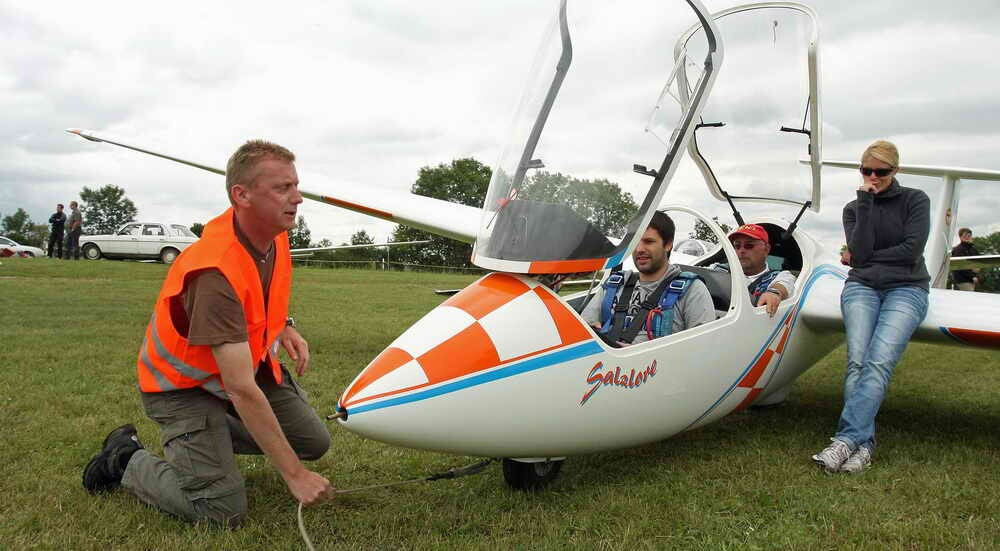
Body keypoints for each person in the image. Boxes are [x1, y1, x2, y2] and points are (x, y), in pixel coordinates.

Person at [82, 140, 332, 524]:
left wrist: (284, 326)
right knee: (220, 511)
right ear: (242, 194)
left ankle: (206, 445)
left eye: (295, 186)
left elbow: (261, 296)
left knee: (312, 442)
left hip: (238, 374)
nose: (297, 198)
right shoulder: (214, 271)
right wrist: (294, 475)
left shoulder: (274, 234)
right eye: (283, 188)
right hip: (183, 390)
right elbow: (241, 388)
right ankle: (125, 459)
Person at [812, 140, 930, 474]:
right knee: (858, 363)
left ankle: (845, 440)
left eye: (882, 172)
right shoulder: (854, 207)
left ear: (896, 171)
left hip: (907, 288)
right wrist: (866, 202)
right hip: (862, 287)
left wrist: (864, 258)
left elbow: (910, 251)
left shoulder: (916, 200)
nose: (874, 177)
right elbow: (860, 251)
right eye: (867, 171)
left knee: (878, 362)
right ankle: (863, 447)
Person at [582, 211, 716, 347]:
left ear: (668, 244)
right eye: (635, 242)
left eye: (648, 241)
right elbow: (583, 330)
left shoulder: (692, 290)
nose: (639, 249)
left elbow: (704, 349)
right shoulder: (615, 284)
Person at [711, 224, 795, 318]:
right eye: (737, 246)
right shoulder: (716, 269)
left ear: (766, 249)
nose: (741, 250)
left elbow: (784, 283)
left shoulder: (780, 276)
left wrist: (774, 293)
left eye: (749, 245)